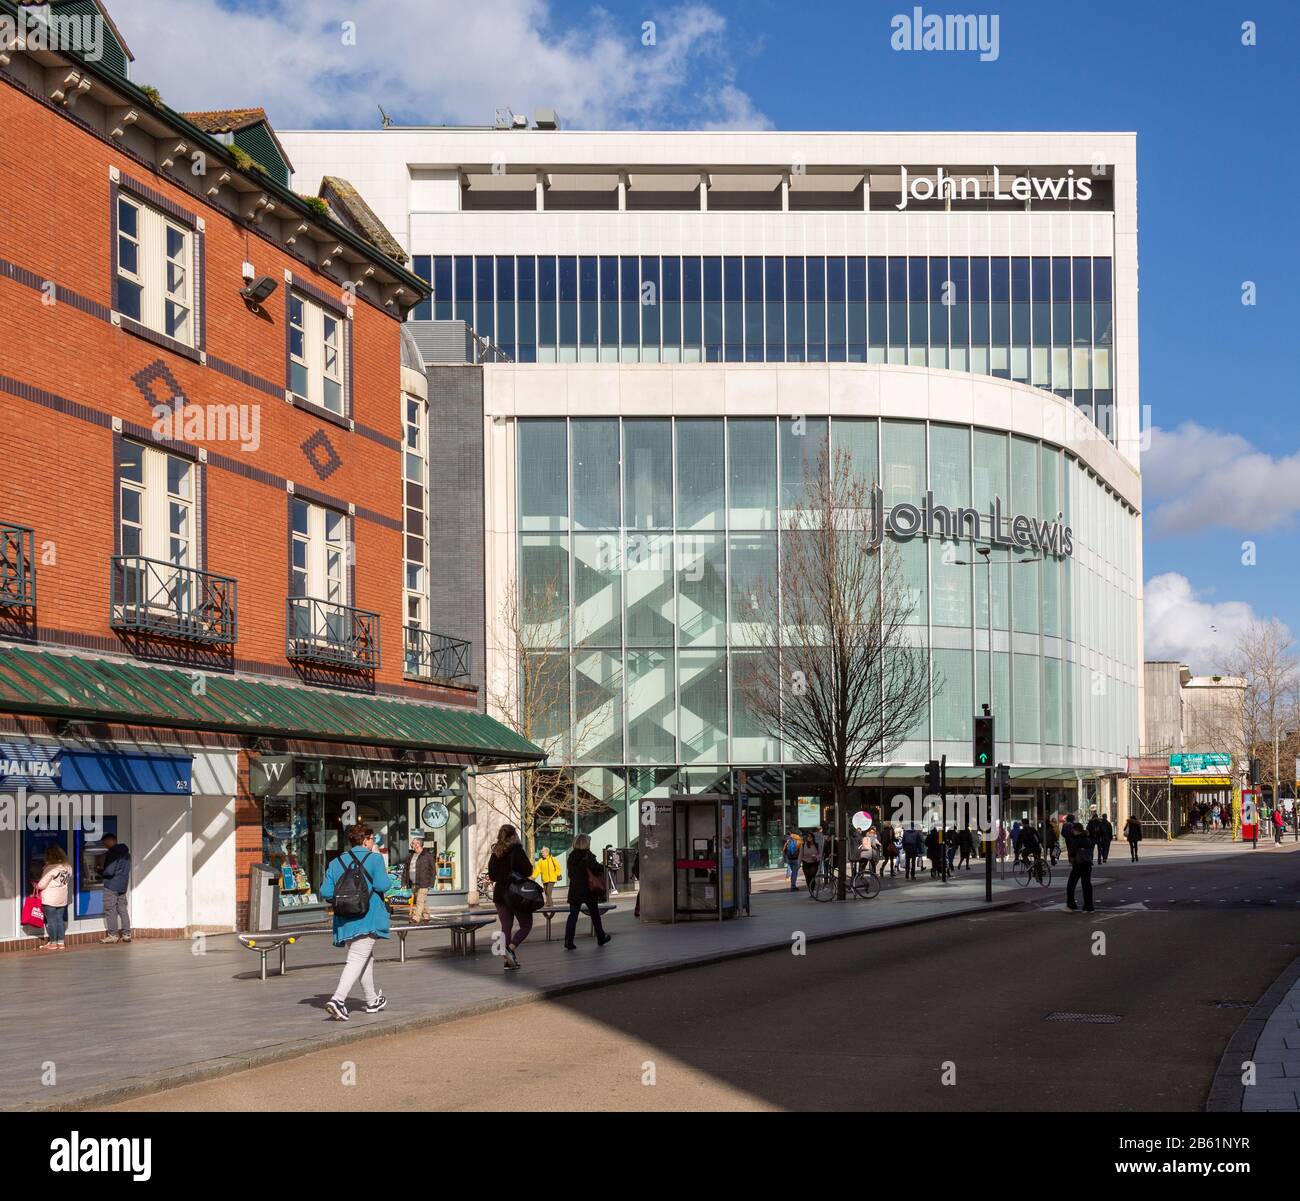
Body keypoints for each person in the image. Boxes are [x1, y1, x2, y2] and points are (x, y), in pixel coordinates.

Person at [320, 823, 391, 1021]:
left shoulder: (336, 862)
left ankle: (372, 1000)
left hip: (345, 918)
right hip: (367, 917)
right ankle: (338, 1000)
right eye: (372, 839)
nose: (373, 842)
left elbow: (325, 892)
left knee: (364, 958)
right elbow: (382, 885)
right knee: (357, 959)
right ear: (366, 839)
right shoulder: (375, 859)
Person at [487, 824, 534, 969]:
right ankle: (510, 948)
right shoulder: (517, 851)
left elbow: (492, 876)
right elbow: (528, 871)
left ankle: (508, 961)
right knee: (526, 925)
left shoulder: (495, 852)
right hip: (516, 894)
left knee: (506, 926)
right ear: (514, 836)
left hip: (500, 895)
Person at [563, 834, 612, 950]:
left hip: (575, 889)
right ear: (585, 843)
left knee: (573, 916)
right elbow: (597, 868)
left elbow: (570, 874)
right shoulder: (588, 855)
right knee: (595, 914)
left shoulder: (571, 857)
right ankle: (601, 937)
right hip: (588, 889)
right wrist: (602, 865)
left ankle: (568, 940)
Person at [37, 844, 72, 950]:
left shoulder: (50, 868)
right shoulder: (68, 867)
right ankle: (61, 943)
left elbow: (41, 885)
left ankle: (53, 943)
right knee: (59, 919)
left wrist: (36, 885)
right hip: (62, 898)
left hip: (50, 899)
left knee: (51, 920)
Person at [99, 832, 131, 944]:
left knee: (110, 910)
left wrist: (101, 871)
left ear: (109, 840)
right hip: (122, 885)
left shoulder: (113, 853)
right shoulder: (126, 853)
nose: (104, 845)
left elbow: (110, 871)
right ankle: (126, 934)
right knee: (122, 908)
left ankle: (113, 935)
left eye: (104, 843)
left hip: (111, 885)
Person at [403, 830, 436, 922]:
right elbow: (406, 869)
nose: (411, 845)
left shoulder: (428, 855)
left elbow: (433, 871)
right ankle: (426, 915)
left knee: (419, 901)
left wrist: (431, 884)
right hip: (414, 882)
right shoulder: (411, 856)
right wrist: (404, 882)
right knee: (421, 901)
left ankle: (416, 918)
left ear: (418, 844)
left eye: (412, 843)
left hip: (424, 883)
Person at [1064, 818, 1094, 912]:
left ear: (1076, 830)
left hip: (1078, 864)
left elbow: (1072, 852)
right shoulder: (1087, 839)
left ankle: (1071, 904)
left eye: (1073, 830)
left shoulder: (1077, 840)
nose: (1072, 831)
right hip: (1087, 864)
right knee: (1086, 885)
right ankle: (1089, 906)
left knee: (1071, 885)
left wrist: (1071, 858)